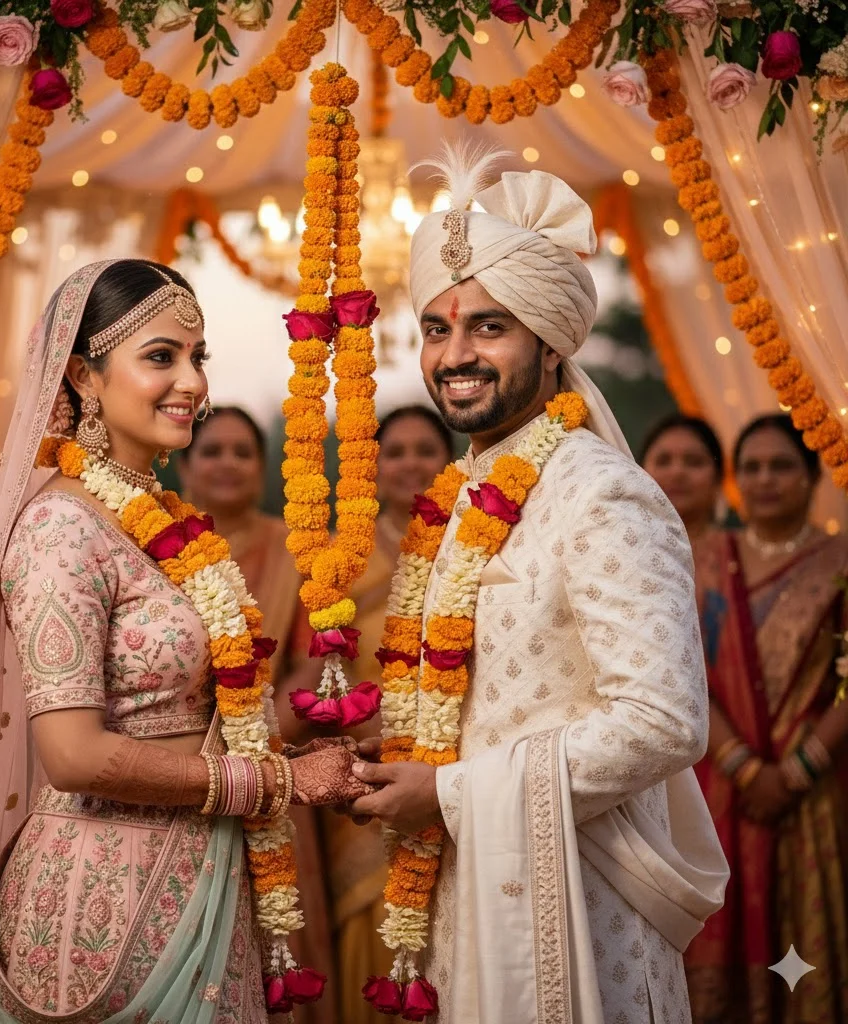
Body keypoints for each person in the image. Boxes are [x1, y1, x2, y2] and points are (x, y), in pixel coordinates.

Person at [0, 259, 372, 1024]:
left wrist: (314, 763)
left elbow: (204, 713)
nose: (193, 383)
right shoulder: (61, 526)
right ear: (84, 375)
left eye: (198, 357)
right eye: (160, 357)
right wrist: (273, 784)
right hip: (101, 903)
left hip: (201, 873)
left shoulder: (165, 523)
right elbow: (73, 755)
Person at [348, 153, 728, 1023]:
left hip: (582, 906)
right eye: (437, 330)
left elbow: (665, 721)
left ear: (551, 342)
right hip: (470, 889)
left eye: (489, 327)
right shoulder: (459, 495)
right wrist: (396, 745)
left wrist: (447, 793)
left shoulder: (603, 493)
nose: (456, 356)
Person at [684, 413, 848, 1024]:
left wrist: (798, 769)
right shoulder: (705, 563)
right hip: (722, 786)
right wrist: (748, 769)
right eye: (750, 468)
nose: (764, 480)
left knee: (807, 938)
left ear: (812, 477)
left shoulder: (839, 561)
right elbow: (687, 674)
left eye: (781, 466)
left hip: (816, 789)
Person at [176, 406, 337, 1024]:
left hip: (274, 774)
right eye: (212, 450)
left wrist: (249, 755)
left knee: (280, 935)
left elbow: (313, 668)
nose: (227, 463)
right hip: (178, 775)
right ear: (185, 465)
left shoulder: (301, 551)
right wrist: (195, 762)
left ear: (263, 467)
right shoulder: (152, 542)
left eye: (242, 452)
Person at [322, 404, 454, 1024]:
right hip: (366, 767)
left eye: (426, 450)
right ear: (370, 466)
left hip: (457, 770)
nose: (410, 464)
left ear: (450, 461)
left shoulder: (479, 543)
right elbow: (317, 670)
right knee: (372, 922)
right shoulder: (339, 557)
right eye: (393, 452)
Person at [640, 414, 725, 542]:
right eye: (663, 461)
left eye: (694, 462)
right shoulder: (616, 548)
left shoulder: (746, 549)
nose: (677, 472)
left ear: (718, 477)